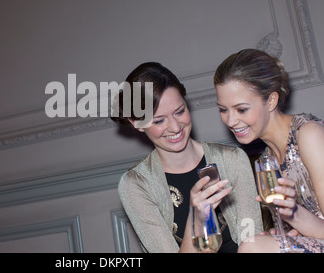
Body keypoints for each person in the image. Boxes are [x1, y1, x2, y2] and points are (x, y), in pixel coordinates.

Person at [112, 62, 262, 253]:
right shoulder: (136, 184)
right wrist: (196, 218)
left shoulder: (232, 159)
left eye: (180, 111)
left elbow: (253, 241)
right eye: (159, 120)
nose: (175, 127)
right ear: (137, 123)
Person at [214, 48, 324, 252]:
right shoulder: (266, 160)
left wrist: (293, 215)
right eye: (223, 109)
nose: (230, 120)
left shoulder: (309, 135)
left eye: (242, 109)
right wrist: (282, 237)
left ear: (271, 101)